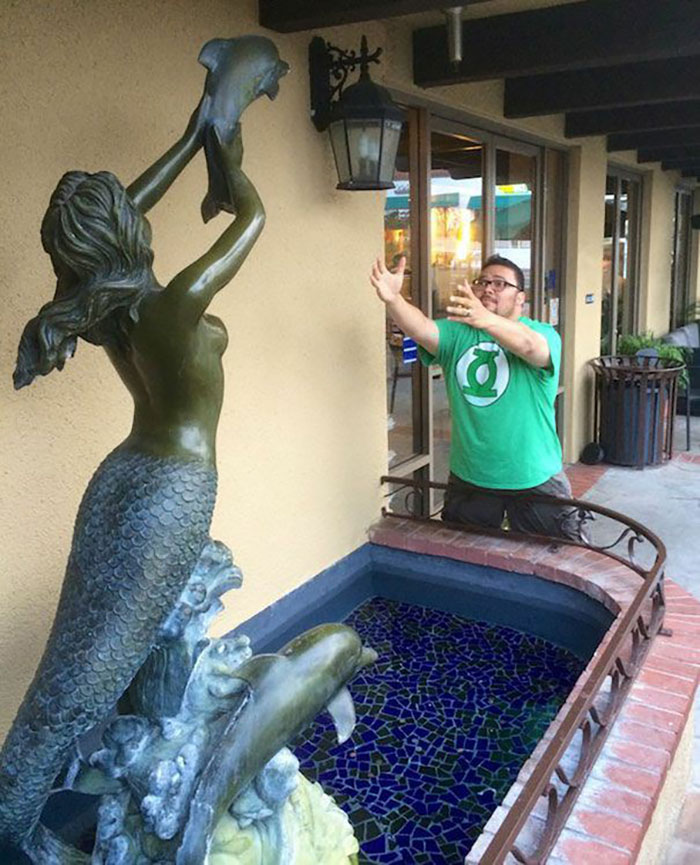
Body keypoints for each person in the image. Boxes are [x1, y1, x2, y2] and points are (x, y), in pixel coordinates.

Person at [0, 103, 269, 854]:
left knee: (76, 662)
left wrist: (191, 136)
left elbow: (127, 212)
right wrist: (228, 162)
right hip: (168, 495)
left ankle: (38, 808)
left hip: (119, 479)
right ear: (126, 231)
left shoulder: (103, 306)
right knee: (81, 677)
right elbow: (253, 217)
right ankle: (10, 826)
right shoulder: (171, 306)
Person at [371, 253, 584, 540]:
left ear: (521, 298)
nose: (488, 288)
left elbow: (530, 347)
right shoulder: (459, 334)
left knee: (552, 558)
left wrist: (487, 320)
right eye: (482, 282)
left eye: (500, 283)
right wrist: (394, 300)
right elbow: (421, 328)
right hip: (471, 477)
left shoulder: (541, 333)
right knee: (467, 556)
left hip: (534, 476)